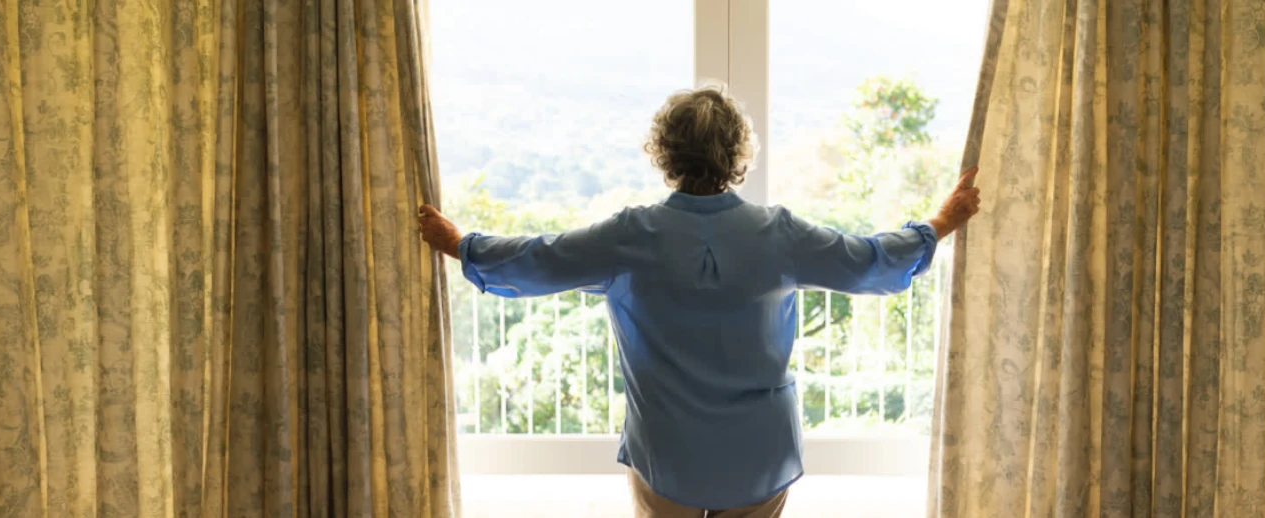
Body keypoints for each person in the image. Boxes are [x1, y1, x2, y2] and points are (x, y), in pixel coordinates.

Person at [417, 85, 980, 518]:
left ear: (664, 153)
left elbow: (538, 259)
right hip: (760, 456)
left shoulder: (628, 237)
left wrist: (459, 245)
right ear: (739, 154)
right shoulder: (778, 234)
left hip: (668, 458)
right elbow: (869, 260)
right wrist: (941, 222)